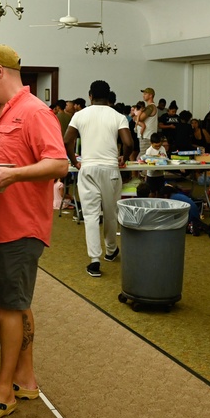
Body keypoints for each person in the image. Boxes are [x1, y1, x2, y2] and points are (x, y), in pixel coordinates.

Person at [0, 45, 67, 418]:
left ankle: (4, 393)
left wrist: (15, 174)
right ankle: (24, 378)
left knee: (9, 306)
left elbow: (59, 163)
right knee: (15, 303)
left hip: (21, 226)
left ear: (1, 71)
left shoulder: (36, 111)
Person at [63, 79, 133, 278]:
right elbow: (128, 142)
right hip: (111, 169)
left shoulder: (80, 115)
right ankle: (111, 251)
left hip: (89, 168)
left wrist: (74, 160)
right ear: (109, 95)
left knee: (91, 215)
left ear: (90, 95)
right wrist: (124, 157)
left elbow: (67, 140)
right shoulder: (118, 116)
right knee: (111, 213)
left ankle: (94, 260)